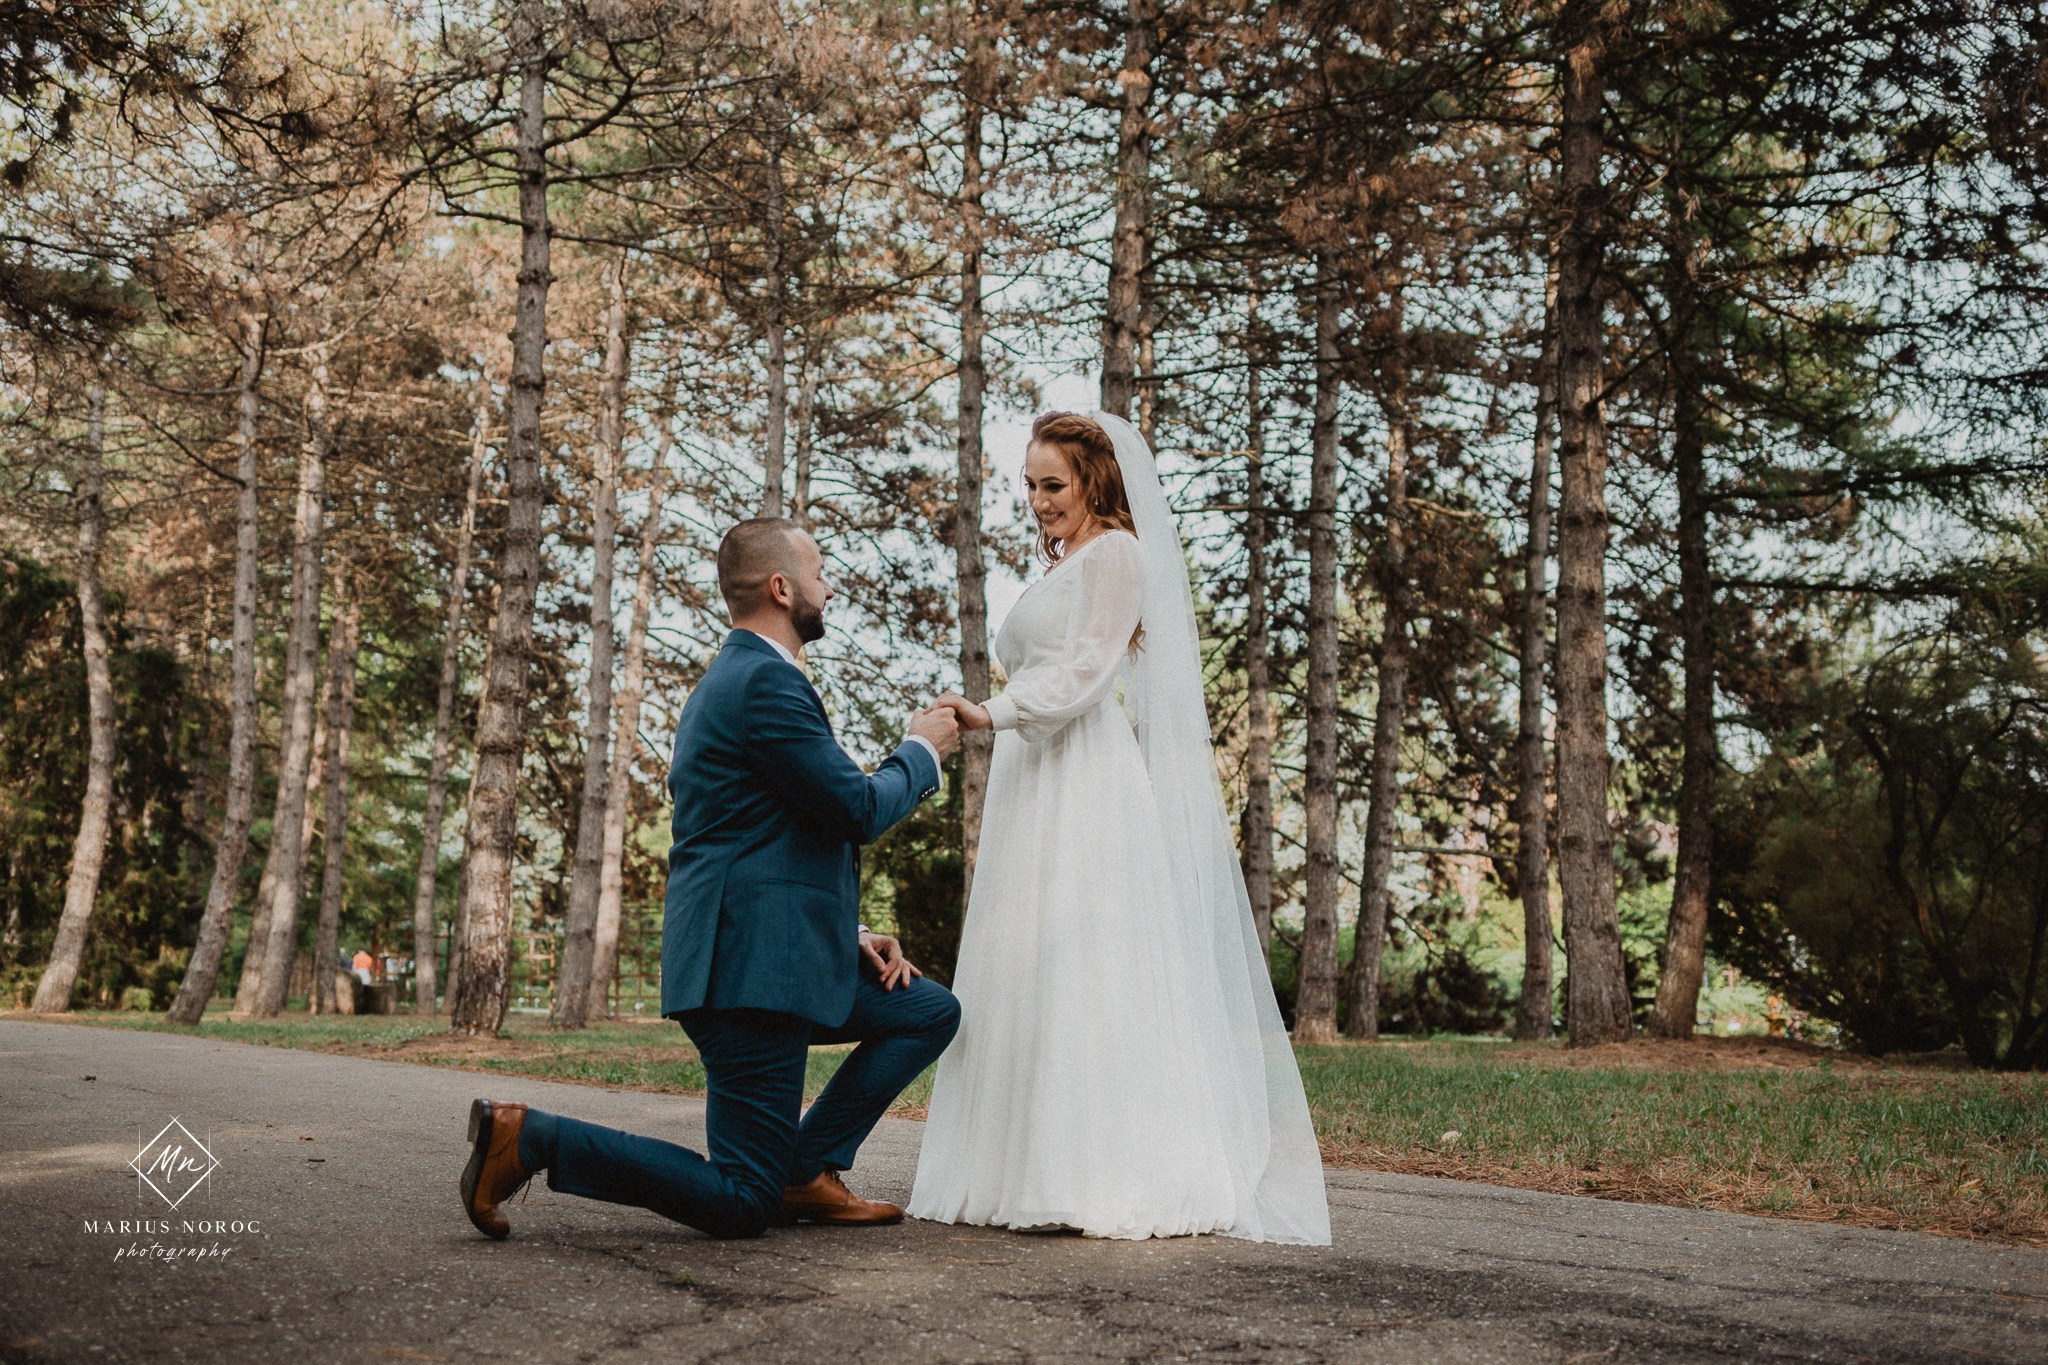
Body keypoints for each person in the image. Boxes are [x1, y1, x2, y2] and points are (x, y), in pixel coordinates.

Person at [460, 518, 963, 1240]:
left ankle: (805, 1167)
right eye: (819, 570)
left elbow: (767, 832)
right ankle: (532, 1138)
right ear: (782, 588)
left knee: (925, 1010)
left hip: (775, 956)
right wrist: (920, 748)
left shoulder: (746, 680)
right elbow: (854, 808)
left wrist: (846, 930)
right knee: (738, 1200)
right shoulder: (762, 682)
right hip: (750, 974)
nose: (830, 584)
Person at [911, 411, 1330, 1244]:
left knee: (1086, 960)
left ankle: (1094, 1170)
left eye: (1053, 485)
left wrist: (987, 710)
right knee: (1023, 961)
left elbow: (1084, 675)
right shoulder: (1065, 563)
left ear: (1095, 481)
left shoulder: (1118, 555)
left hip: (1082, 774)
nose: (1037, 501)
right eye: (1029, 486)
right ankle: (1012, 1167)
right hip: (1034, 772)